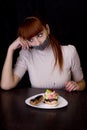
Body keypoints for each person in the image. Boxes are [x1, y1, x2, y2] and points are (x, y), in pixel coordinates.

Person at [0, 16, 86, 92]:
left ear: (47, 29)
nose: (38, 43)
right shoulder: (26, 55)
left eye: (40, 35)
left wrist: (77, 86)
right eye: (31, 40)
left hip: (64, 106)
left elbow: (82, 83)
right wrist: (10, 49)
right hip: (37, 107)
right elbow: (6, 85)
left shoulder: (69, 52)